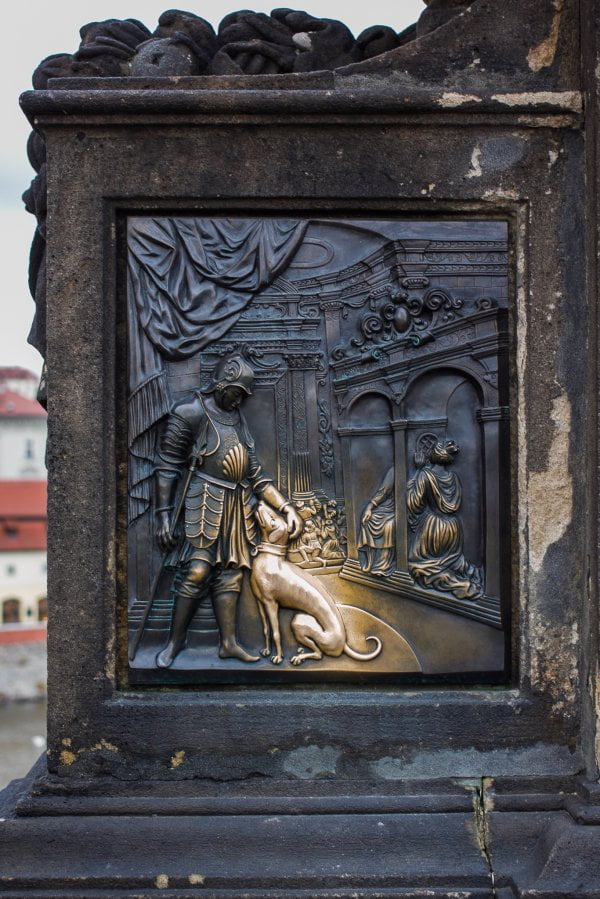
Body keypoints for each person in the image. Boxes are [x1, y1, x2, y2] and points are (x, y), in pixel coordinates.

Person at [154, 353, 302, 667]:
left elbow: (257, 476)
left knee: (230, 575)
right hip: (203, 499)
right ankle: (175, 642)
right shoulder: (190, 413)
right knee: (196, 571)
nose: (239, 402)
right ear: (222, 385)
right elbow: (167, 465)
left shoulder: (238, 420)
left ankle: (229, 643)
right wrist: (163, 515)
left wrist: (286, 507)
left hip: (236, 505)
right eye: (237, 394)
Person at [407, 438, 483, 600]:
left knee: (421, 568)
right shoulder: (453, 477)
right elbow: (458, 502)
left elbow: (414, 503)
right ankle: (468, 574)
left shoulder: (425, 475)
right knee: (450, 561)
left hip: (433, 527)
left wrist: (417, 472)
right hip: (453, 528)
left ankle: (461, 585)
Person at [358, 467, 396, 576]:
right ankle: (371, 561)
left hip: (403, 508)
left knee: (389, 525)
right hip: (388, 507)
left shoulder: (421, 470)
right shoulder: (393, 470)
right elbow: (384, 490)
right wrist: (369, 507)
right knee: (369, 520)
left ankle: (382, 564)